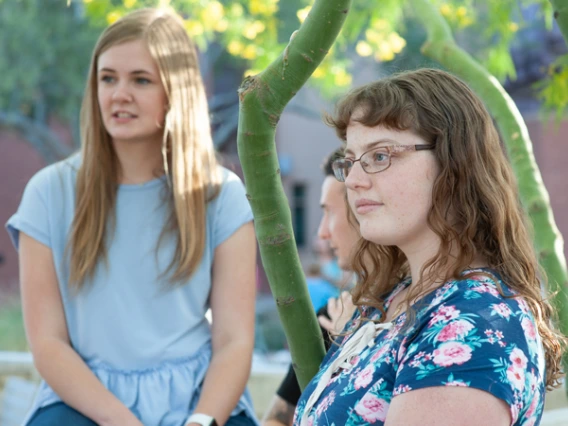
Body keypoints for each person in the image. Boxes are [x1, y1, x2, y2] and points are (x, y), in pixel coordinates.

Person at [6, 8, 258, 426]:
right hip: (82, 400)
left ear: (174, 92)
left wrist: (201, 421)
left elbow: (233, 340)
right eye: (108, 78)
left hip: (201, 398)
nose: (119, 94)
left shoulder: (222, 195)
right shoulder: (48, 193)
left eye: (140, 80)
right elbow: (48, 342)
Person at [293, 68, 567, 426]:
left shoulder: (473, 324)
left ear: (454, 163)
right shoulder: (393, 300)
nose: (355, 181)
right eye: (351, 161)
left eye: (380, 156)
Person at [262, 149, 359, 426]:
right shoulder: (329, 318)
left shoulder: (416, 321)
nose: (321, 233)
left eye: (329, 213)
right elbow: (276, 418)